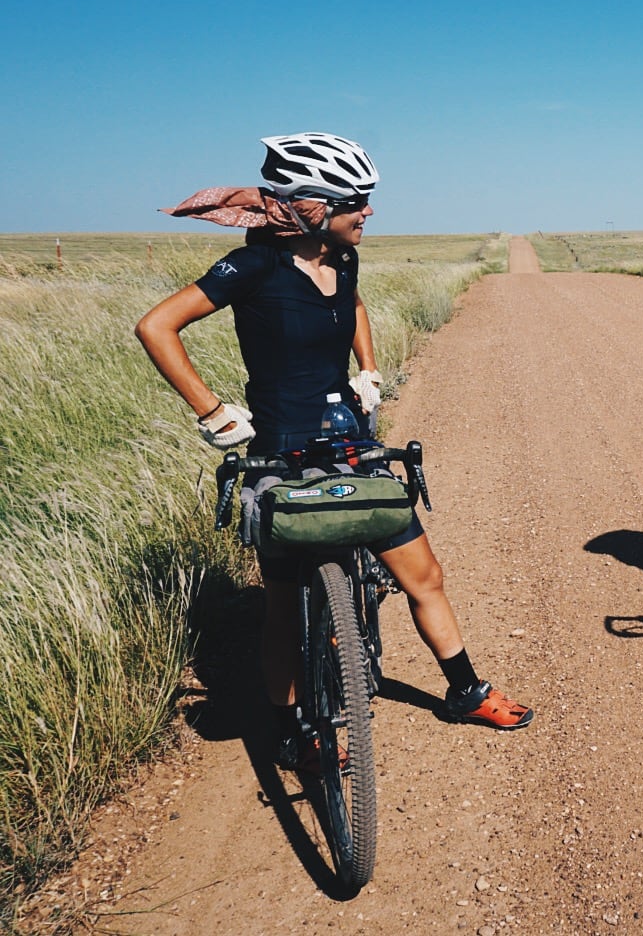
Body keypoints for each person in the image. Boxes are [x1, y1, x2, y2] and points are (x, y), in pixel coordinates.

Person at [136, 132, 532, 771]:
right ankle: (294, 729)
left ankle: (466, 691)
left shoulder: (342, 260)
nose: (368, 212)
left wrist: (367, 370)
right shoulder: (254, 267)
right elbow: (156, 326)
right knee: (283, 606)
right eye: (357, 201)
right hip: (281, 446)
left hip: (350, 438)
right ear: (314, 206)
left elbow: (352, 306)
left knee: (423, 576)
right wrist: (210, 411)